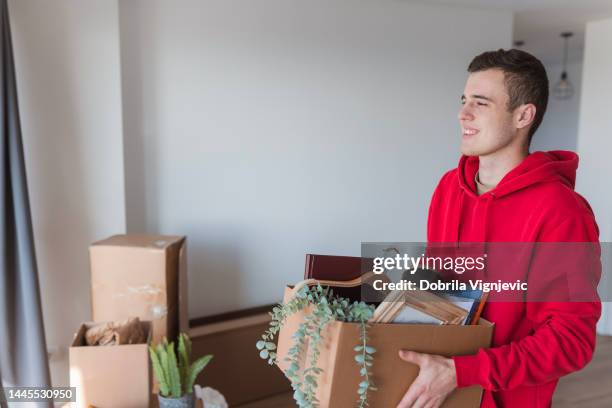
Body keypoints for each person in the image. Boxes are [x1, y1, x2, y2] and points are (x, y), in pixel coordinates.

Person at [396, 49, 601, 408]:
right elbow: (437, 291)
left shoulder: (562, 211)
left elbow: (572, 341)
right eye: (463, 100)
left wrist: (463, 372)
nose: (462, 113)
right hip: (436, 391)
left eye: (481, 103)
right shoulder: (448, 188)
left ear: (523, 115)